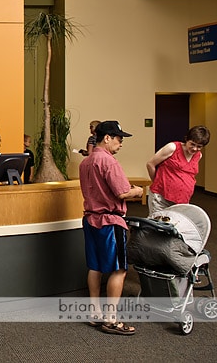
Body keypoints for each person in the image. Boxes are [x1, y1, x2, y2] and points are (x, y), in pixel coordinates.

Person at [78, 120, 143, 336]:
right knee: (119, 269)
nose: (121, 144)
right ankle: (111, 319)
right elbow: (122, 193)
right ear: (107, 138)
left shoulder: (85, 162)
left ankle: (95, 313)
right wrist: (139, 191)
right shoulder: (109, 162)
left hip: (90, 219)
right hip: (110, 221)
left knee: (95, 266)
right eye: (119, 139)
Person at [146, 125, 211, 216]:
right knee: (158, 225)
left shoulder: (198, 155)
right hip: (161, 196)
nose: (195, 149)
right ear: (186, 139)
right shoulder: (172, 147)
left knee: (177, 225)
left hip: (182, 200)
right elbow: (150, 164)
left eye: (199, 146)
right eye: (192, 144)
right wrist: (157, 182)